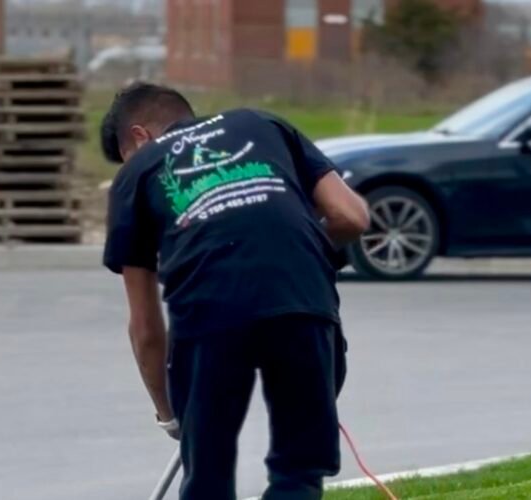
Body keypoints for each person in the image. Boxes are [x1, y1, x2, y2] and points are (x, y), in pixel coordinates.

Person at [101, 82, 370, 500]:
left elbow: (146, 329)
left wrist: (170, 414)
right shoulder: (262, 123)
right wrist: (297, 253)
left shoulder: (135, 176)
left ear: (141, 136)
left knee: (207, 479)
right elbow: (350, 216)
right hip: (301, 300)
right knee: (297, 474)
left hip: (209, 316)